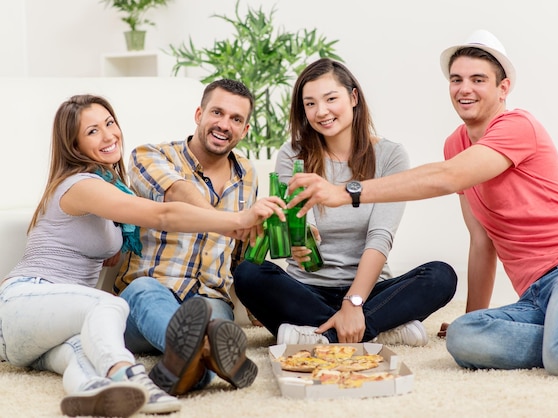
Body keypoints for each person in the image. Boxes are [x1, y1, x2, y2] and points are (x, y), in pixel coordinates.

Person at [286, 30, 558, 378]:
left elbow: (448, 177)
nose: (465, 88)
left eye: (478, 79)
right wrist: (475, 315)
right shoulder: (456, 143)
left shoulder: (518, 126)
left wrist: (347, 192)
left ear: (503, 88)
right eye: (456, 79)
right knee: (465, 337)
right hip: (535, 295)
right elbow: (481, 241)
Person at [0, 94, 285, 417]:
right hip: (26, 300)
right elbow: (162, 216)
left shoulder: (111, 189)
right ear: (74, 144)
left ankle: (128, 392)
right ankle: (134, 372)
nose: (108, 135)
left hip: (51, 331)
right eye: (92, 131)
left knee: (81, 355)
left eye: (110, 123)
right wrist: (235, 220)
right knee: (111, 303)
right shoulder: (80, 185)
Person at [234, 58, 457, 346]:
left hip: (369, 292)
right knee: (248, 274)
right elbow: (298, 223)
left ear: (353, 98)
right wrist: (298, 236)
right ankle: (379, 329)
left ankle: (321, 335)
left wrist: (353, 302)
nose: (321, 111)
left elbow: (380, 236)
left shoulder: (390, 155)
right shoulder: (292, 154)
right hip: (306, 289)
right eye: (310, 103)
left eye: (330, 99)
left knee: (440, 276)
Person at [113, 79, 266, 395]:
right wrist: (231, 221)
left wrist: (257, 306)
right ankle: (209, 355)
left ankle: (189, 367)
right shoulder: (150, 155)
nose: (224, 124)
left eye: (236, 119)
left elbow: (242, 253)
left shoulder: (247, 175)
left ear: (245, 130)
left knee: (215, 324)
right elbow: (178, 193)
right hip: (147, 298)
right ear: (199, 114)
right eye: (217, 112)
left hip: (208, 301)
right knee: (144, 290)